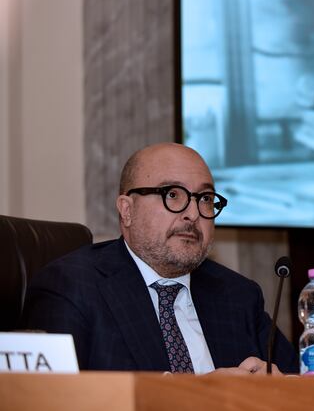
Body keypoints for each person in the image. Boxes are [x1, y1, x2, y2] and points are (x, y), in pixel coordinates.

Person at [23, 142, 297, 374]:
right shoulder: (72, 287)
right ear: (127, 211)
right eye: (172, 195)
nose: (193, 214)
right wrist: (205, 395)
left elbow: (301, 386)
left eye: (205, 198)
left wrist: (279, 388)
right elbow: (56, 399)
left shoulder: (238, 295)